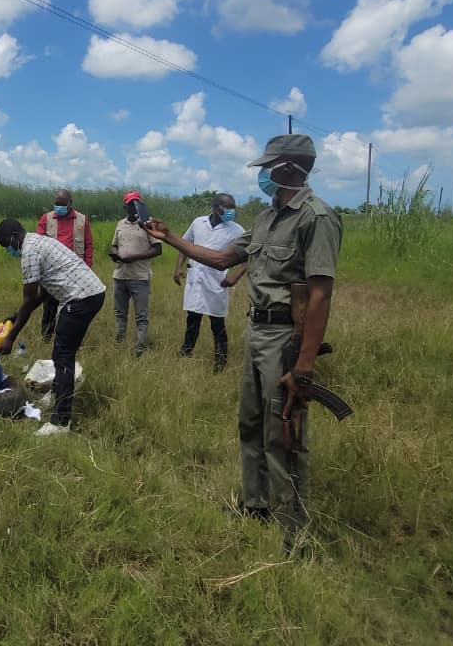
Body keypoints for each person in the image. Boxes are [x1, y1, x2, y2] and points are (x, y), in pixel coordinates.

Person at [144, 134, 342, 551]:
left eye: (269, 166)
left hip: (285, 337)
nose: (263, 174)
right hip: (255, 330)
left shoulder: (316, 218)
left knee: (284, 429)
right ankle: (256, 506)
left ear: (288, 167)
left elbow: (321, 295)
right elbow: (223, 259)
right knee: (250, 423)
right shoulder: (267, 218)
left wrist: (304, 366)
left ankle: (293, 532)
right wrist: (171, 237)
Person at [0, 218, 106, 436]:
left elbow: (28, 301)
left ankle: (60, 422)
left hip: (81, 299)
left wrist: (10, 337)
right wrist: (16, 316)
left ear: (15, 236)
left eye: (7, 244)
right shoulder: (39, 241)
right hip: (91, 293)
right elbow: (43, 292)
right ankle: (56, 393)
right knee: (61, 351)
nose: (8, 249)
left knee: (63, 358)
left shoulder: (29, 253)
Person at [175, 193, 247, 372]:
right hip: (196, 279)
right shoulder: (198, 223)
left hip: (216, 282)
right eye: (227, 207)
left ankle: (220, 362)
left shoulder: (237, 230)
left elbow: (249, 255)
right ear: (216, 207)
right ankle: (186, 353)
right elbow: (184, 245)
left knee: (217, 324)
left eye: (233, 207)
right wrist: (178, 268)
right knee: (192, 320)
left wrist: (235, 276)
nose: (231, 211)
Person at [35, 189, 93, 341]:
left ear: (70, 203)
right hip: (51, 272)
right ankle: (46, 338)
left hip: (75, 273)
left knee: (72, 307)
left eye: (62, 204)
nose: (58, 207)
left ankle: (68, 337)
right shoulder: (46, 219)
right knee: (49, 306)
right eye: (56, 204)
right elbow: (38, 244)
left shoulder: (82, 219)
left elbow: (88, 245)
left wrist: (87, 269)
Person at [109, 190, 162, 356]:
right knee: (120, 313)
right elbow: (114, 245)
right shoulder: (120, 224)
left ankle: (140, 348)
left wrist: (135, 257)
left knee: (141, 316)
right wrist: (115, 255)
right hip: (120, 276)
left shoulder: (147, 224)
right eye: (130, 204)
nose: (133, 206)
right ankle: (119, 344)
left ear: (140, 205)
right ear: (125, 207)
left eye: (136, 203)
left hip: (139, 277)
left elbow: (157, 249)